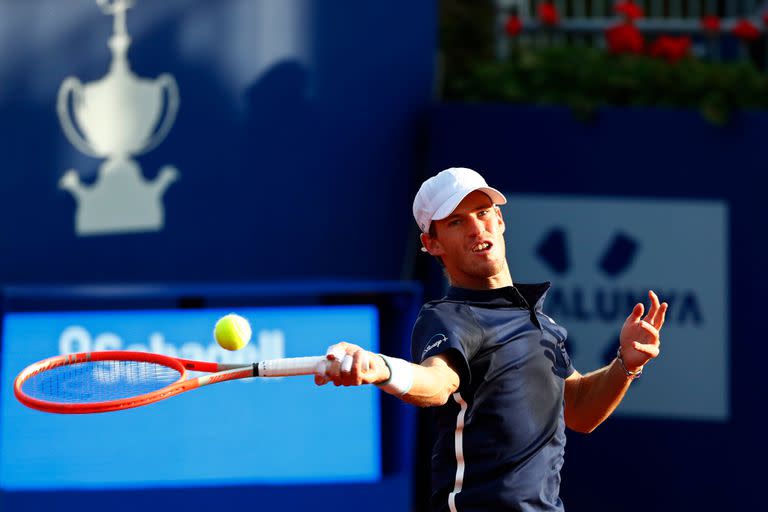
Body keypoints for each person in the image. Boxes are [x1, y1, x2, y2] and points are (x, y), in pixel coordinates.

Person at [314, 167, 668, 512]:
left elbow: (580, 410)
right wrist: (384, 368)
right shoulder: (448, 316)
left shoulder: (542, 323)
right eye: (456, 222)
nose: (475, 228)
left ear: (499, 221)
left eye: (483, 213)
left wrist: (625, 364)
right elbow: (438, 382)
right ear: (431, 243)